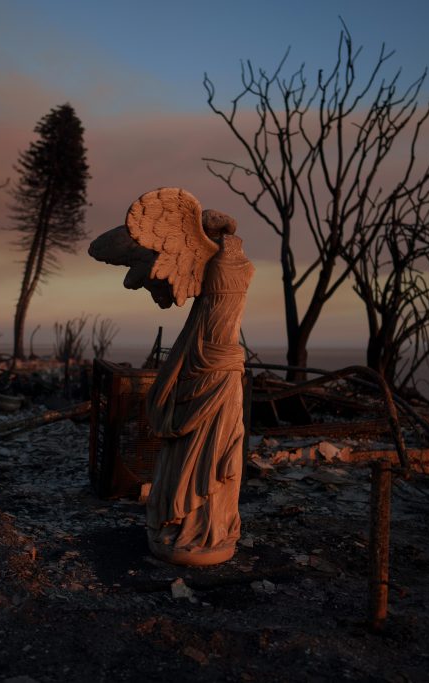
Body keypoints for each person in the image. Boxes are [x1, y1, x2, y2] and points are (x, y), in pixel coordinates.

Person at [145, 211, 254, 566]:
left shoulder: (213, 260)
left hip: (213, 358)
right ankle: (206, 524)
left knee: (202, 445)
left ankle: (196, 522)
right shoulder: (240, 263)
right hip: (221, 361)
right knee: (217, 445)